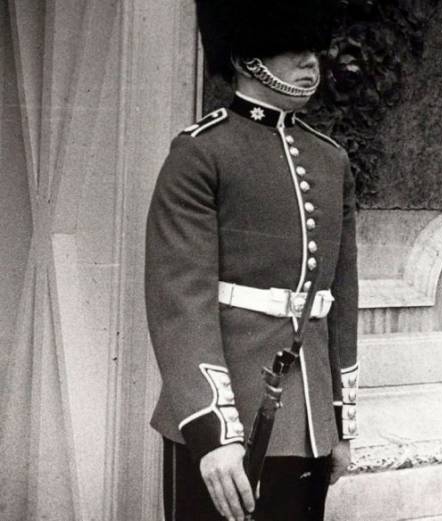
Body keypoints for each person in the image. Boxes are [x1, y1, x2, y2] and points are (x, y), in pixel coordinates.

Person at [145, 1, 358, 520]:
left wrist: (338, 424)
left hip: (306, 422)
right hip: (229, 412)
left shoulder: (330, 159)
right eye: (293, 50)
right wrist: (214, 432)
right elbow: (181, 302)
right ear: (246, 59)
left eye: (313, 49)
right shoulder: (200, 152)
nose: (312, 63)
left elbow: (340, 302)